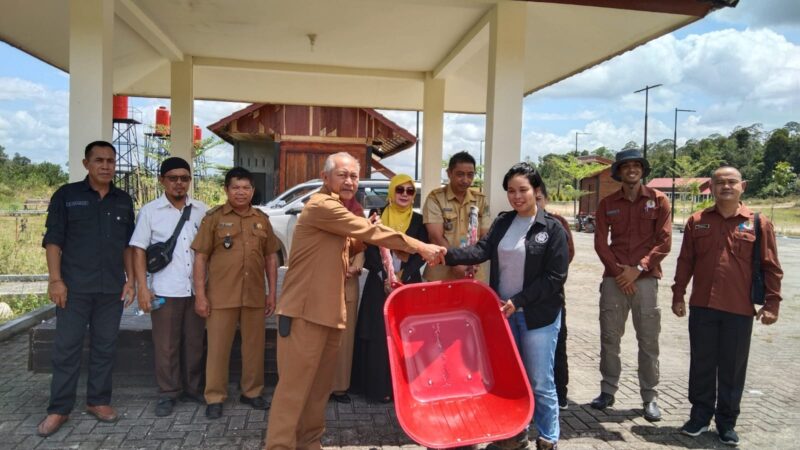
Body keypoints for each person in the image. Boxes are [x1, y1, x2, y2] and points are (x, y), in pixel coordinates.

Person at [265, 152, 447, 450]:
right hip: (303, 313)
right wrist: (419, 246)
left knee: (319, 390)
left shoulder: (342, 211)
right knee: (294, 390)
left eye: (353, 175)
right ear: (325, 178)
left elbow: (357, 241)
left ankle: (309, 443)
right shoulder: (322, 206)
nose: (349, 181)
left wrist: (377, 238)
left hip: (330, 313)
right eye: (342, 174)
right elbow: (369, 232)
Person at [445, 163, 569, 450]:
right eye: (511, 191)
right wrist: (446, 255)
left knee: (540, 380)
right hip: (505, 314)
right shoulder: (503, 222)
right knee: (511, 377)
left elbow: (555, 278)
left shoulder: (553, 229)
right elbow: (481, 251)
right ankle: (515, 430)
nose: (517, 196)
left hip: (538, 317)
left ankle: (548, 435)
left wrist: (519, 301)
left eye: (523, 190)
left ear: (536, 191)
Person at [672, 166, 782, 447]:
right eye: (720, 182)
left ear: (742, 186)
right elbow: (685, 261)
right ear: (711, 186)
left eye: (732, 182)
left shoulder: (759, 223)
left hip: (739, 309)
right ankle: (699, 417)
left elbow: (771, 267)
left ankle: (727, 423)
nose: (726, 187)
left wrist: (772, 303)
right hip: (702, 307)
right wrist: (678, 294)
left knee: (732, 368)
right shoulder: (697, 221)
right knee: (701, 364)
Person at [37, 141, 136, 437]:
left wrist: (130, 280)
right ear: (86, 164)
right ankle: (59, 409)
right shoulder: (67, 196)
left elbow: (128, 245)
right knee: (66, 348)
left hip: (111, 290)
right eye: (99, 160)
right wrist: (55, 280)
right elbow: (53, 240)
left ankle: (98, 401)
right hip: (74, 288)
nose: (106, 166)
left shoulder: (123, 200)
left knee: (105, 347)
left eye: (110, 161)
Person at [191, 167, 279, 419]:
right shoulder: (214, 218)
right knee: (218, 348)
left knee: (254, 347)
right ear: (226, 190)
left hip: (253, 295)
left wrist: (271, 293)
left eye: (246, 188)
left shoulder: (262, 219)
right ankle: (215, 397)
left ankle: (251, 392)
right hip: (221, 296)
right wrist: (200, 295)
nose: (241, 192)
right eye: (235, 187)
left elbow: (271, 258)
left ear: (252, 191)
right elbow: (201, 258)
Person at [591, 149, 671, 422]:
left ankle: (650, 397)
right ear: (619, 172)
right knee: (610, 338)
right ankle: (608, 390)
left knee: (648, 341)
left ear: (643, 170)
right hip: (614, 281)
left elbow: (665, 242)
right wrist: (619, 272)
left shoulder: (659, 201)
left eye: (637, 165)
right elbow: (601, 242)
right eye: (627, 166)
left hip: (646, 281)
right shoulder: (607, 203)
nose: (632, 170)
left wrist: (638, 269)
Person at [129, 157, 208, 417]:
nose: (179, 183)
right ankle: (168, 393)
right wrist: (142, 287)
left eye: (184, 178)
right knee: (166, 345)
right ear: (162, 180)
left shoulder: (201, 210)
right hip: (165, 289)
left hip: (195, 290)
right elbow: (138, 250)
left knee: (195, 342)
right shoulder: (151, 211)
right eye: (173, 178)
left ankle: (194, 388)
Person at [351, 174, 428, 403]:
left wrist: (403, 274)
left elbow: (421, 253)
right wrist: (385, 274)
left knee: (406, 335)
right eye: (400, 190)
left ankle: (403, 390)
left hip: (408, 284)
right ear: (392, 192)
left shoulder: (418, 221)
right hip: (378, 284)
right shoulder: (378, 218)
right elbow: (369, 248)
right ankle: (378, 388)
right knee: (377, 335)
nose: (404, 194)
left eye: (410, 191)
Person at [423, 151, 491, 283]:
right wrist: (456, 261)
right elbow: (435, 237)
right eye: (460, 174)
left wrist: (473, 261)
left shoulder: (480, 200)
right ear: (449, 173)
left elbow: (485, 236)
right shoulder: (435, 198)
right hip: (440, 273)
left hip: (473, 271)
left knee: (472, 304)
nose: (466, 180)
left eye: (470, 175)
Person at [535, 183, 574, 410]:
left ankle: (561, 393)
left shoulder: (558, 224)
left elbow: (567, 256)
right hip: (524, 298)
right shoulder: (517, 223)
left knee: (558, 345)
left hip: (552, 295)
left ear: (545, 200)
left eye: (539, 198)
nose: (536, 203)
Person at [329, 195, 366, 404]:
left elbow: (363, 245)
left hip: (349, 282)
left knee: (345, 338)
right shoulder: (321, 214)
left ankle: (340, 387)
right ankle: (321, 387)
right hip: (324, 283)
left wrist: (356, 266)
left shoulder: (358, 213)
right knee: (323, 336)